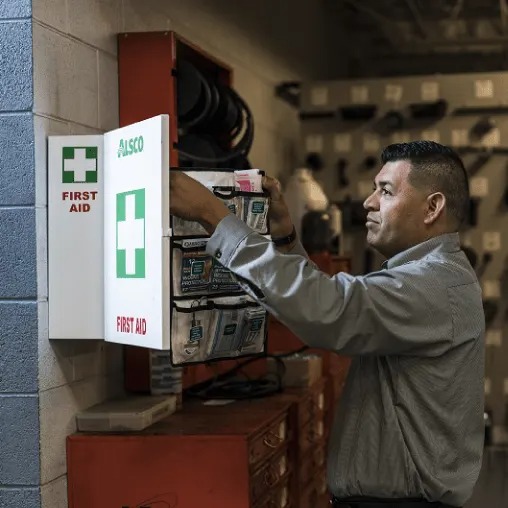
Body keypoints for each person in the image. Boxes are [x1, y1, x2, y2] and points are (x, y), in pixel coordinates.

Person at [169, 141, 485, 508]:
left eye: (385, 191)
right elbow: (327, 301)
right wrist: (286, 239)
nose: (368, 202)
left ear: (432, 207)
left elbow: (332, 311)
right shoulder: (435, 277)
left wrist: (214, 216)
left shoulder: (434, 285)